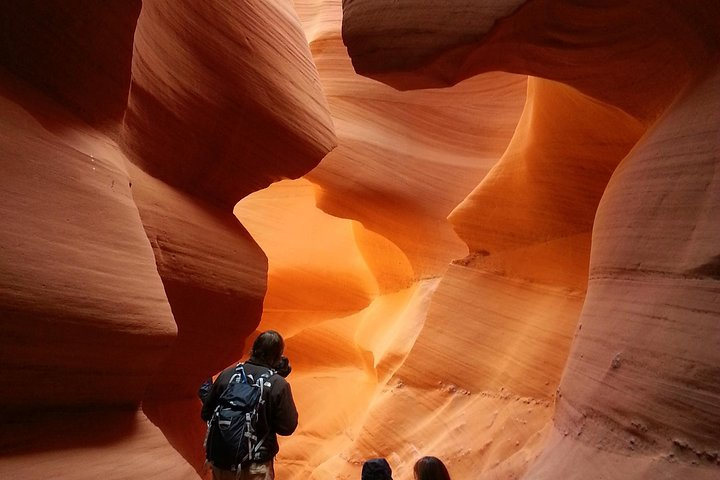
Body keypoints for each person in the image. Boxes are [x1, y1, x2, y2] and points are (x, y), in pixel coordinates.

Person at [201, 330, 298, 480]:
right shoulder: (277, 384)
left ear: (253, 350)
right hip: (255, 467)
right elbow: (287, 427)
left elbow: (206, 413)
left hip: (222, 463)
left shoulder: (228, 375)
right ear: (278, 356)